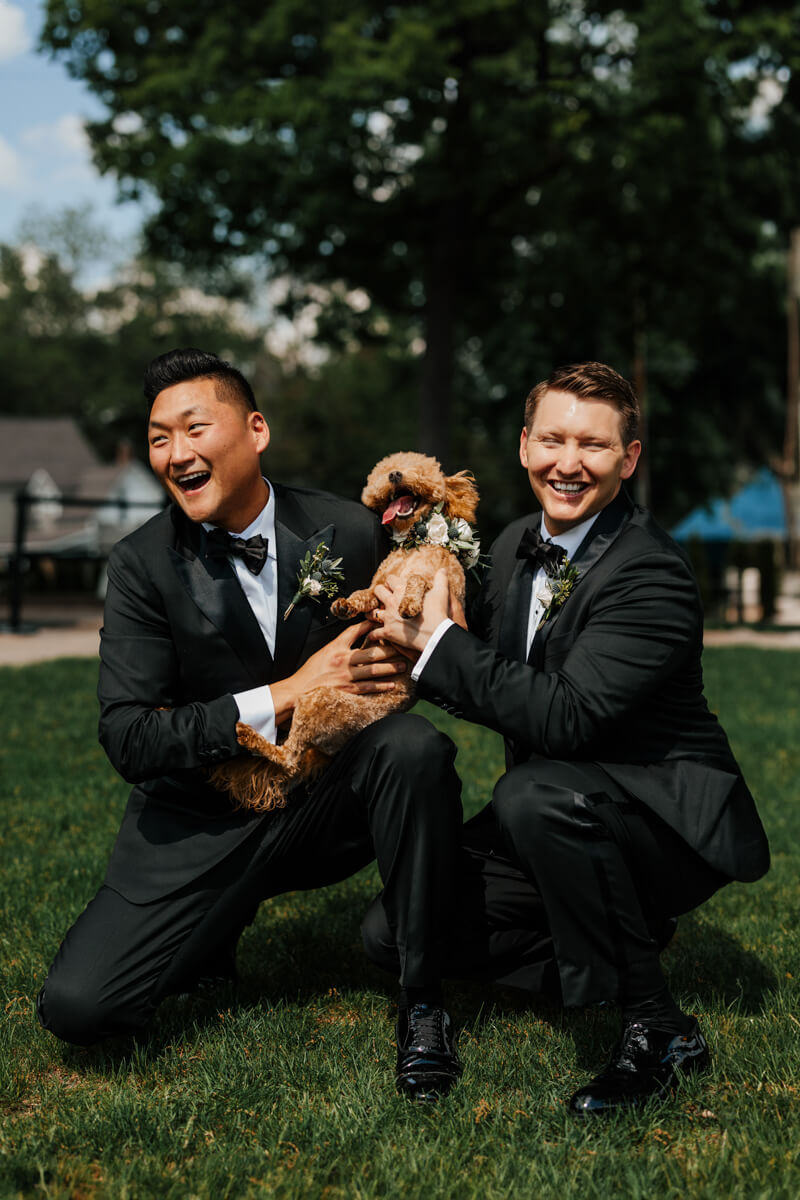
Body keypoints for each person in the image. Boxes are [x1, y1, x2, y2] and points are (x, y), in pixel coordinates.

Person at [37, 347, 465, 1101]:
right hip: (199, 822)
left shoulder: (348, 530)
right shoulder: (140, 564)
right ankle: (212, 930)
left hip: (327, 806)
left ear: (255, 430)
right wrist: (289, 690)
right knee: (81, 1007)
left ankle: (424, 1000)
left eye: (194, 428)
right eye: (158, 437)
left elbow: (427, 630)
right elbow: (131, 738)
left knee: (413, 748)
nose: (175, 453)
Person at [364, 360, 769, 1114]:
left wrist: (440, 645)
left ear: (629, 458)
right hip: (557, 810)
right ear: (524, 447)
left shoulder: (652, 572)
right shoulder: (518, 540)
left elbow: (565, 717)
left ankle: (658, 1026)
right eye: (552, 440)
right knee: (393, 934)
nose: (568, 463)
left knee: (532, 791)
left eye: (593, 445)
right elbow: (482, 668)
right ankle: (616, 938)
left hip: (664, 822)